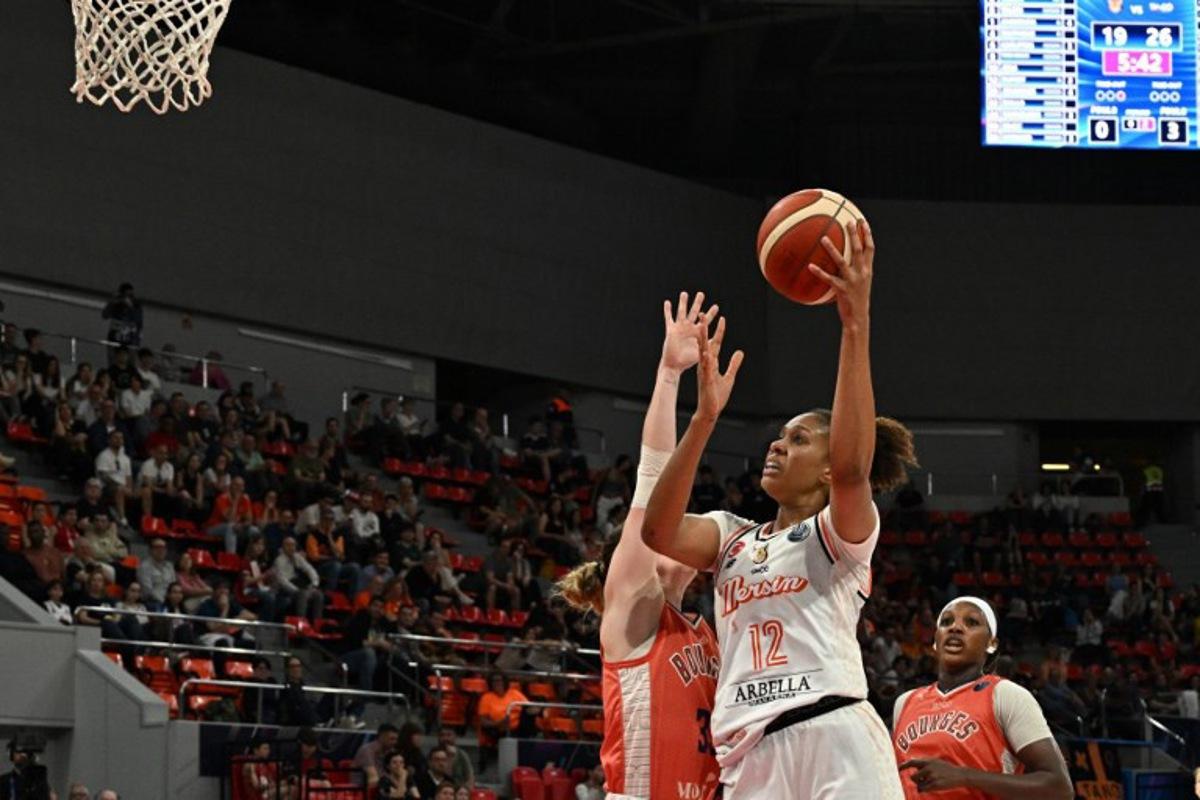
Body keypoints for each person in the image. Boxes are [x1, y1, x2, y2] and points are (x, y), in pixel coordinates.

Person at [643, 227, 917, 800]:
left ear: (824, 467)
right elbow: (658, 530)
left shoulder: (839, 533)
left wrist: (854, 323)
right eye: (778, 437)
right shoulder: (732, 537)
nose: (776, 445)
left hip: (832, 731)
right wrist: (704, 419)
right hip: (751, 751)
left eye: (797, 440)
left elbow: (851, 470)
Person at [557, 292, 722, 800]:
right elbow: (653, 475)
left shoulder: (707, 636)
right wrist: (669, 374)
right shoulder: (631, 609)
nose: (680, 528)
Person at [892, 597, 1073, 799]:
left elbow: (1059, 787)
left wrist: (964, 776)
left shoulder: (1006, 695)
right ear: (935, 641)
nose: (955, 628)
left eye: (972, 622)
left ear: (991, 644)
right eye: (946, 622)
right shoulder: (905, 702)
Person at [340, 596, 395, 725]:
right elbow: (359, 643)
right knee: (369, 654)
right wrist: (378, 643)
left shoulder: (383, 624)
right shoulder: (360, 619)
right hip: (349, 657)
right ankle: (366, 695)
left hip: (370, 664)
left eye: (381, 607)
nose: (378, 609)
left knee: (390, 659)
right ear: (369, 606)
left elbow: (391, 645)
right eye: (375, 605)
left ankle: (384, 696)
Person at [272, 536, 324, 621]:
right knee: (302, 594)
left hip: (301, 585)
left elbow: (310, 570)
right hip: (286, 590)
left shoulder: (298, 557)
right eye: (288, 545)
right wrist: (297, 590)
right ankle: (301, 622)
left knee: (318, 594)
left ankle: (317, 623)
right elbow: (282, 581)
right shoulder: (279, 561)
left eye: (293, 545)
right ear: (283, 547)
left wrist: (314, 584)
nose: (291, 548)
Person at [101, 283, 143, 350]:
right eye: (125, 295)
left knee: (128, 356)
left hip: (130, 336)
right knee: (113, 355)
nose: (127, 298)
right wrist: (112, 303)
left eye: (130, 296)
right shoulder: (116, 304)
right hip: (115, 334)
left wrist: (131, 307)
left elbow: (138, 321)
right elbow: (105, 315)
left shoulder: (136, 305)